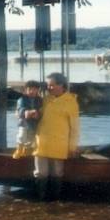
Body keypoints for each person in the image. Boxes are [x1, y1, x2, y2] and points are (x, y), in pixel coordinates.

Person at [33, 72, 80, 200]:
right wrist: (31, 113)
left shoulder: (71, 102)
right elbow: (39, 115)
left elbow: (75, 128)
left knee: (57, 173)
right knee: (40, 173)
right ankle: (41, 201)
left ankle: (55, 201)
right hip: (41, 142)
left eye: (52, 85)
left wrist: (72, 147)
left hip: (59, 144)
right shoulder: (46, 99)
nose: (49, 88)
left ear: (62, 85)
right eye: (48, 85)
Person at [12, 80, 42, 159]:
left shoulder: (40, 100)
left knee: (30, 137)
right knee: (21, 136)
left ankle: (26, 151)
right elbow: (20, 109)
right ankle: (19, 149)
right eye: (29, 89)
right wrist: (26, 112)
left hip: (33, 123)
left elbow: (41, 110)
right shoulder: (22, 99)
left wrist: (38, 114)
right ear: (25, 90)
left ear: (38, 90)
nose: (32, 91)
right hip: (24, 122)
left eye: (34, 89)